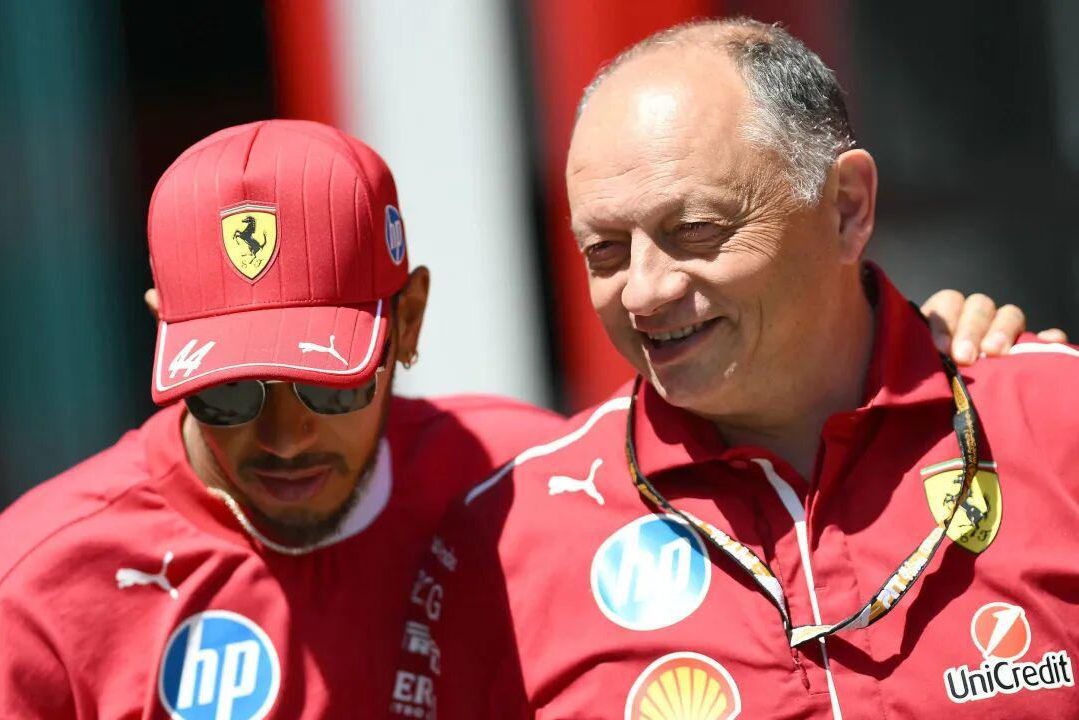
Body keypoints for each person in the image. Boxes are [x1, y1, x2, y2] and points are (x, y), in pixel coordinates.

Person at [391, 18, 1078, 720]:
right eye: (604, 251)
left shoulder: (1055, 423)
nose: (644, 292)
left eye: (694, 230)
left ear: (846, 208)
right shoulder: (505, 541)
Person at [0, 120, 569, 718]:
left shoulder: (536, 486)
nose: (285, 440)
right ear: (161, 333)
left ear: (408, 323)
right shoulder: (35, 590)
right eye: (229, 392)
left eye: (328, 385)